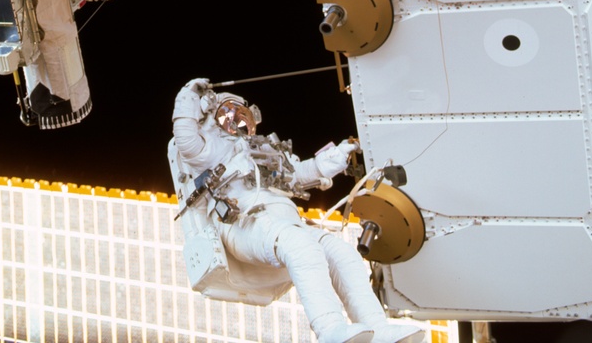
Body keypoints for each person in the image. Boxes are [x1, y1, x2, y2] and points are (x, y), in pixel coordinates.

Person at [172, 79, 424, 343]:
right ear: (213, 117)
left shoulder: (265, 150)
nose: (237, 119)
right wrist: (187, 94)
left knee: (342, 253)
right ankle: (330, 330)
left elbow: (299, 175)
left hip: (283, 221)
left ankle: (377, 328)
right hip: (244, 223)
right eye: (229, 114)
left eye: (242, 113)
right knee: (301, 245)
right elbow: (186, 139)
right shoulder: (210, 150)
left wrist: (334, 158)